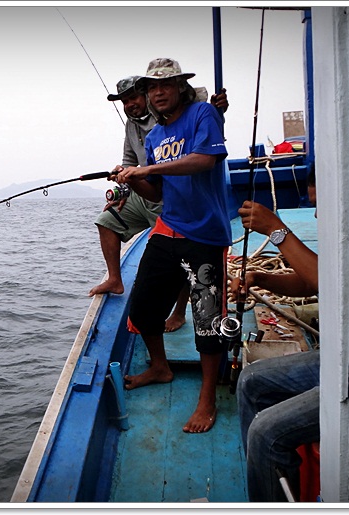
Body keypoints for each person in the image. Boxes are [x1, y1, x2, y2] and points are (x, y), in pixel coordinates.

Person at [113, 58, 231, 434]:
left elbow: (203, 160)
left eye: (165, 85)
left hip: (205, 234)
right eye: (151, 88)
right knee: (143, 308)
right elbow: (157, 191)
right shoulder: (153, 137)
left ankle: (207, 399)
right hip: (168, 228)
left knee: (208, 321)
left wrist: (147, 169)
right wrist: (131, 180)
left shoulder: (203, 115)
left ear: (181, 87)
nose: (158, 93)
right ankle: (160, 367)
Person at [91, 75, 228, 334]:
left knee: (183, 259)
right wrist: (122, 188)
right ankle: (114, 280)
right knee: (106, 221)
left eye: (133, 97)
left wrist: (220, 108)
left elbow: (204, 126)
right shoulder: (132, 127)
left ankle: (178, 313)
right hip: (146, 191)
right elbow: (129, 162)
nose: (130, 104)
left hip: (173, 201)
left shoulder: (173, 114)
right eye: (124, 101)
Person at [231, 168, 319, 502]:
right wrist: (260, 278)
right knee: (251, 381)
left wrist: (276, 231)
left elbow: (321, 281)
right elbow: (311, 280)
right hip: (338, 356)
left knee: (267, 432)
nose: (316, 213)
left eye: (320, 204)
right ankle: (263, 484)